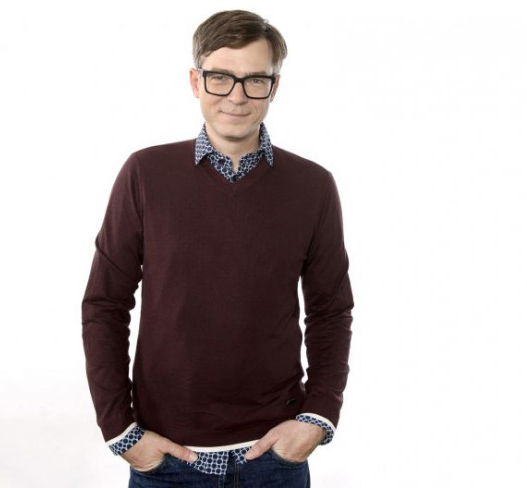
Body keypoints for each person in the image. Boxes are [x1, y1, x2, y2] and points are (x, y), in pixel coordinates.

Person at [82, 10, 354, 487]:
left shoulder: (312, 186)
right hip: (167, 458)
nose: (237, 96)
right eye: (221, 77)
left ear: (274, 87)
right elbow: (105, 304)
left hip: (274, 457)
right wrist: (120, 431)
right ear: (196, 81)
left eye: (255, 80)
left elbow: (331, 310)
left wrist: (319, 416)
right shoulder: (145, 174)